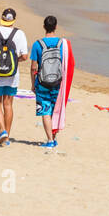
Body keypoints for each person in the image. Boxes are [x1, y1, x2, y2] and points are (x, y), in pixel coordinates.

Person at [0, 8, 29, 147]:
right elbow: (25, 56)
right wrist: (14, 61)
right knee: (8, 105)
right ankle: (7, 137)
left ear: (2, 18)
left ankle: (2, 130)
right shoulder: (19, 34)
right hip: (12, 75)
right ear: (14, 19)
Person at [30, 15, 70, 149]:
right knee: (55, 109)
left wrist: (32, 83)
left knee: (45, 111)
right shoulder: (62, 44)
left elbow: (33, 67)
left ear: (44, 27)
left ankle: (49, 140)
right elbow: (66, 64)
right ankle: (54, 138)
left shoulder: (37, 44)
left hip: (42, 83)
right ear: (56, 27)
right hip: (57, 82)